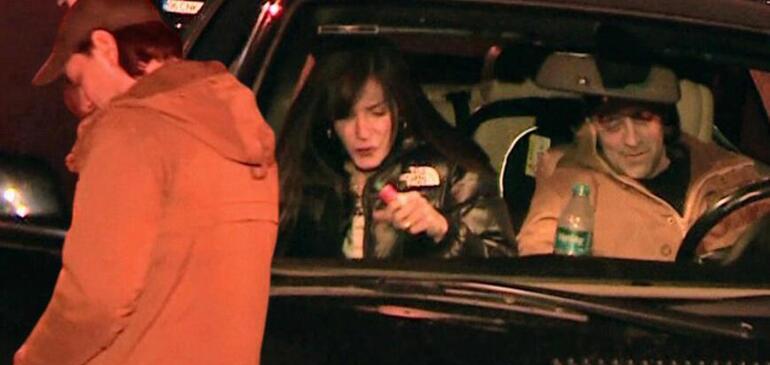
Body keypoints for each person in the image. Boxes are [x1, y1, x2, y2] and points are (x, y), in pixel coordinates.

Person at [12, 0, 278, 365]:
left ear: (105, 47)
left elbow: (96, 297)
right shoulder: (239, 133)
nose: (83, 103)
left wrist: (35, 364)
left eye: (79, 81)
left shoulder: (131, 133)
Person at [276, 39, 516, 259]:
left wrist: (443, 230)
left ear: (399, 109)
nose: (362, 132)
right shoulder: (305, 174)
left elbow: (502, 264)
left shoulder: (455, 170)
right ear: (330, 121)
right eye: (346, 116)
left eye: (377, 113)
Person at [518, 69, 769, 261]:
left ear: (665, 121)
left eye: (643, 118)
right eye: (612, 124)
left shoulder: (729, 171)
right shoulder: (570, 184)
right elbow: (539, 259)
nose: (631, 140)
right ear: (593, 128)